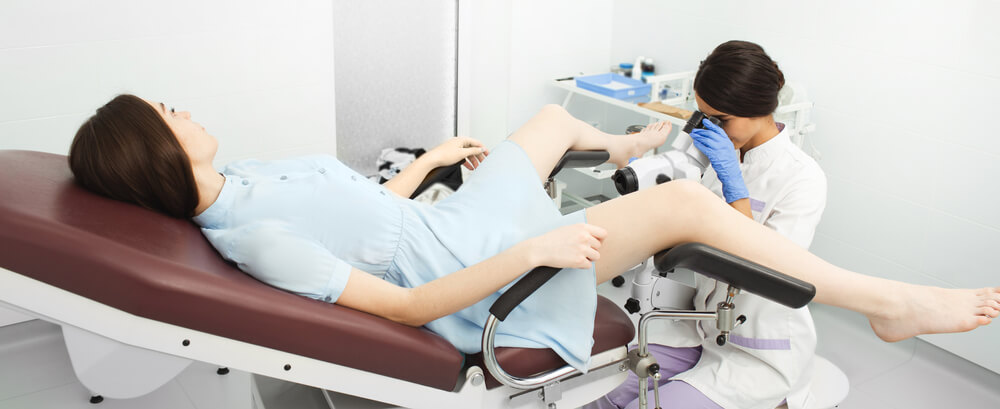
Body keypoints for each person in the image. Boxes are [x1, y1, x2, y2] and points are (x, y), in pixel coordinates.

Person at [67, 94, 999, 376]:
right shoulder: (253, 237)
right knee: (688, 211)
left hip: (444, 219)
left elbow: (352, 208)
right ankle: (889, 303)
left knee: (552, 121)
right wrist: (533, 252)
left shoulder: (246, 178)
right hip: (473, 267)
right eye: (166, 111)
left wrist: (425, 162)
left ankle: (633, 139)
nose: (181, 107)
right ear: (154, 150)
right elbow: (402, 303)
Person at [588, 40, 826, 409]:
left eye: (721, 120)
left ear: (756, 110)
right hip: (697, 328)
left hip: (756, 350)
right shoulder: (713, 160)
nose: (711, 129)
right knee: (597, 393)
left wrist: (736, 188)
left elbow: (767, 268)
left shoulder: (802, 178)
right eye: (703, 116)